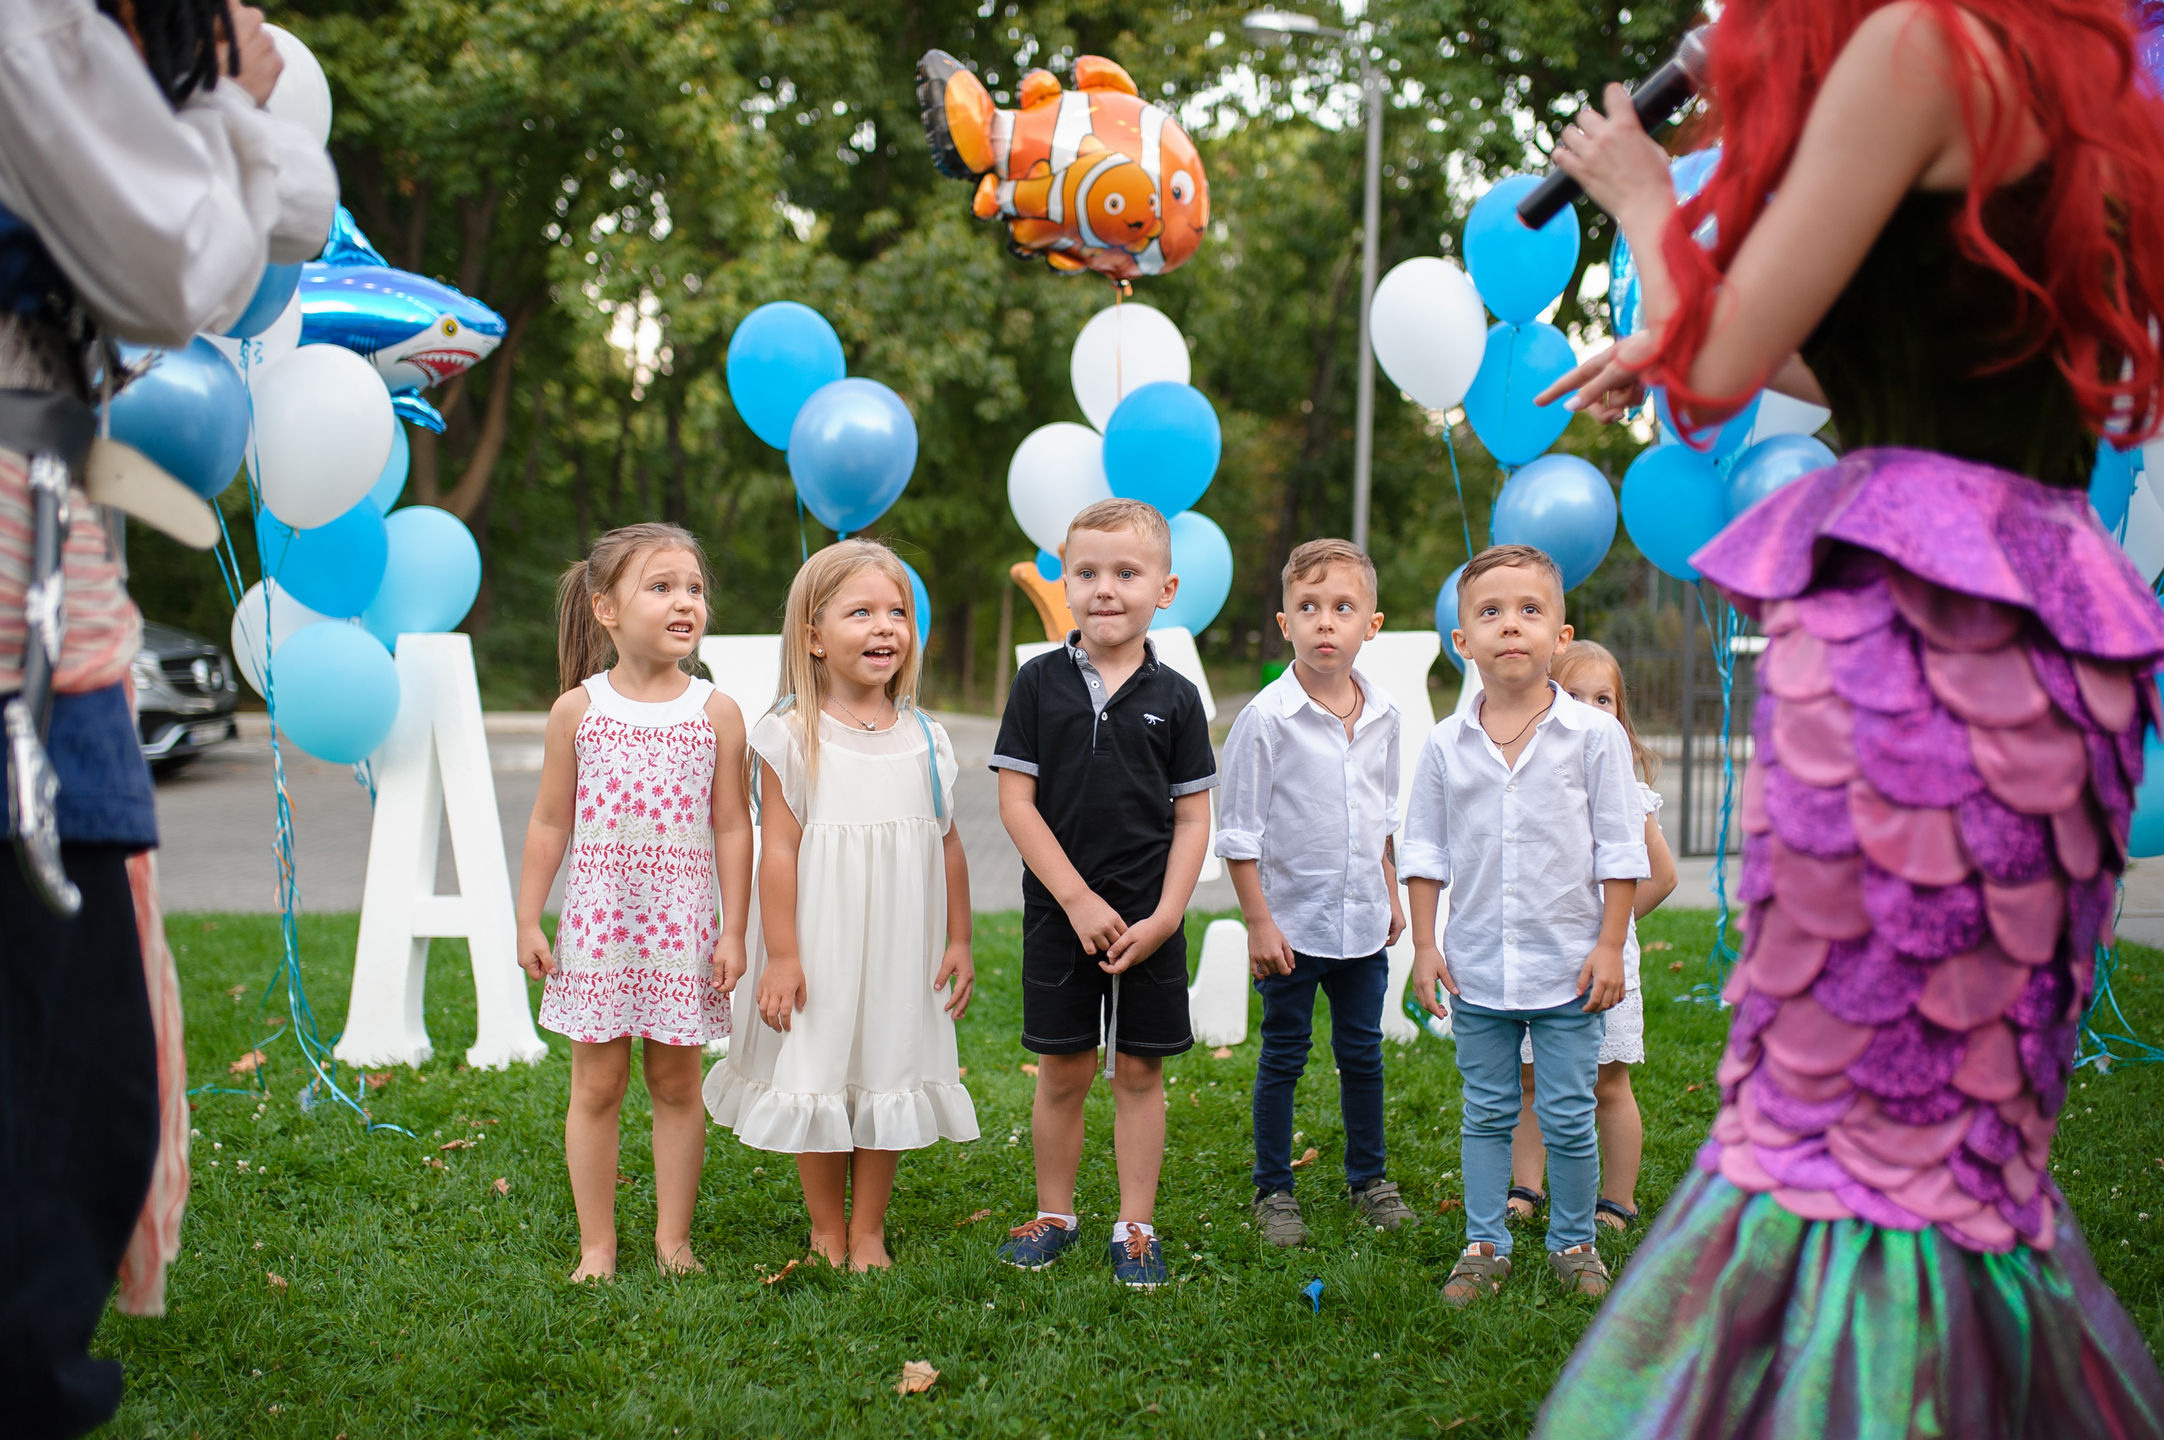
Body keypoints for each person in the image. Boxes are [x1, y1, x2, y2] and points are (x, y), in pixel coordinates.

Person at [1529, 0, 2164, 1431]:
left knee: (1842, 1144)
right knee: (1954, 1160)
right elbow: (1903, 355)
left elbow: (1715, 361)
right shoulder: (2057, 80)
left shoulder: (1921, 47)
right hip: (2039, 634)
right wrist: (1686, 321)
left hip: (1923, 651)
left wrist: (1641, 193)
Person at [0, 1, 333, 1432]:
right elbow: (170, 271)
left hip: (53, 570)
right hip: (19, 587)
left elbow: (290, 217)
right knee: (56, 1073)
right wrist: (233, 107)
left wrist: (230, 108)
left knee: (87, 1064)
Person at [704, 540, 978, 1271]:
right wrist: (783, 956)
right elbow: (779, 853)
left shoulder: (926, 737)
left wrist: (958, 939)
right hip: (819, 942)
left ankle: (869, 1229)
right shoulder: (791, 734)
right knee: (818, 1068)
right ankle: (827, 1226)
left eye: (898, 612)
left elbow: (948, 844)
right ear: (815, 636)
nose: (885, 627)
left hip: (901, 946)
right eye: (861, 612)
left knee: (889, 1065)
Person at [1402, 544, 1649, 1304]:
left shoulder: (1595, 738)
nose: (1511, 625)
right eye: (1491, 612)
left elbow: (1621, 848)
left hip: (1570, 968)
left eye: (1529, 610)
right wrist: (1425, 944)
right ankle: (1484, 1244)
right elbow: (1424, 850)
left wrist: (1610, 944)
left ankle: (1573, 1241)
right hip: (1478, 967)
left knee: (1570, 1113)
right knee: (1487, 1112)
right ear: (1462, 641)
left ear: (1560, 636)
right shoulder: (1445, 745)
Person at [516, 522, 754, 1281]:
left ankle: (672, 1240)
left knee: (677, 1086)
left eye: (694, 588)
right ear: (606, 609)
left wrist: (735, 932)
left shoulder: (716, 712)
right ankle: (598, 1245)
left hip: (682, 934)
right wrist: (528, 917)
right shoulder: (577, 711)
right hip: (600, 930)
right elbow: (549, 821)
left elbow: (733, 826)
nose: (685, 602)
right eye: (661, 587)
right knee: (597, 1086)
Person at [989, 497, 1217, 1289]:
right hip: (1061, 917)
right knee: (1064, 1071)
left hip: (1150, 921)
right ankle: (1055, 1214)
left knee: (1141, 1073)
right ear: (1066, 583)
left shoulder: (1178, 697)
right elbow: (1016, 804)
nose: (1105, 589)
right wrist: (1078, 901)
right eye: (1086, 572)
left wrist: (1167, 917)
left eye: (1127, 572)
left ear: (1166, 589)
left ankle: (1136, 1225)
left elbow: (1193, 818)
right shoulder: (1037, 683)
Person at [1215, 537, 1417, 1247]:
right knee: (1285, 1056)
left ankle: (1370, 1179)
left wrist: (1390, 891)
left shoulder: (1386, 716)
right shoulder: (1266, 719)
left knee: (1362, 1054)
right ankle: (1274, 1189)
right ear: (1285, 624)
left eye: (1342, 608)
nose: (1325, 621)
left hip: (1362, 925)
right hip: (1291, 928)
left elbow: (1382, 817)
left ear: (1372, 624)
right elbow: (1238, 834)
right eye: (1308, 607)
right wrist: (1259, 924)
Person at [1506, 640, 1677, 1232]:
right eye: (1573, 695)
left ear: (1619, 715)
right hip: (1539, 953)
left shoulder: (1624, 788)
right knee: (1529, 1078)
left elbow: (1662, 876)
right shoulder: (1525, 782)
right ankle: (1525, 1186)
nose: (1588, 709)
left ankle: (1618, 1199)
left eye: (1603, 699)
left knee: (1608, 1081)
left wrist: (1613, 931)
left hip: (1600, 959)